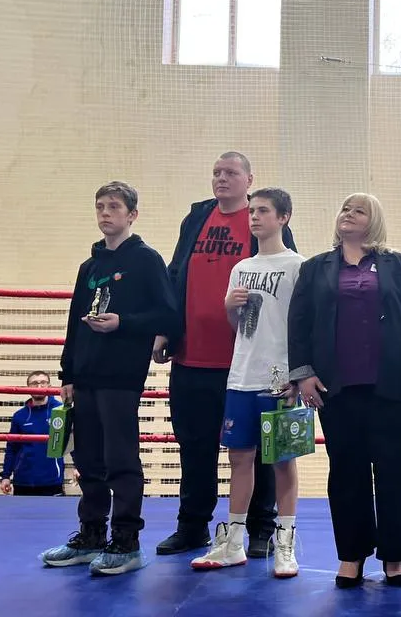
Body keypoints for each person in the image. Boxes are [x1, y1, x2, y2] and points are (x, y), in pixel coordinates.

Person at [156, 152, 296, 558]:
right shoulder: (197, 217)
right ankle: (192, 526)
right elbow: (175, 274)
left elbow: (287, 298)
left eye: (231, 173)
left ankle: (261, 528)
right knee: (193, 445)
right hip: (192, 356)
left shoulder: (267, 223)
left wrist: (292, 364)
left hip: (250, 363)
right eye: (216, 172)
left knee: (261, 451)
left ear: (249, 179)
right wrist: (166, 329)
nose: (221, 178)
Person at [288, 193, 401, 589]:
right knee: (346, 472)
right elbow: (299, 323)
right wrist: (303, 374)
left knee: (394, 472)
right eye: (344, 209)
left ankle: (395, 557)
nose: (347, 214)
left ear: (374, 220)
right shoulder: (315, 268)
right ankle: (351, 555)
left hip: (392, 387)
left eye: (358, 210)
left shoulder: (400, 265)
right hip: (336, 388)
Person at [40, 181, 176, 576]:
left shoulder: (146, 260)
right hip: (85, 375)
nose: (105, 213)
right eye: (100, 206)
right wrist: (67, 373)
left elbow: (168, 315)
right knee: (87, 459)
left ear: (132, 214)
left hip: (121, 375)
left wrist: (123, 323)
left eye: (114, 206)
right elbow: (74, 323)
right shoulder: (90, 266)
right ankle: (91, 534)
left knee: (120, 458)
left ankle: (127, 541)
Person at [191, 188, 305, 578]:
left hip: (279, 377)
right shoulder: (241, 268)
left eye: (263, 211)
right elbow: (239, 327)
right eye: (252, 211)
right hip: (241, 374)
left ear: (283, 217)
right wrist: (228, 308)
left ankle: (285, 542)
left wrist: (297, 375)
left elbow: (303, 325)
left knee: (282, 460)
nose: (254, 217)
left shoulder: (298, 266)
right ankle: (233, 541)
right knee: (239, 457)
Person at [0, 371, 66, 496]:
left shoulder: (60, 411)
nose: (39, 386)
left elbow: (72, 441)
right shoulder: (20, 416)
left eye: (43, 382)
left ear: (49, 386)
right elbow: (12, 448)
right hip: (23, 481)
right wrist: (6, 476)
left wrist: (79, 467)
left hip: (52, 481)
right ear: (28, 387)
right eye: (34, 383)